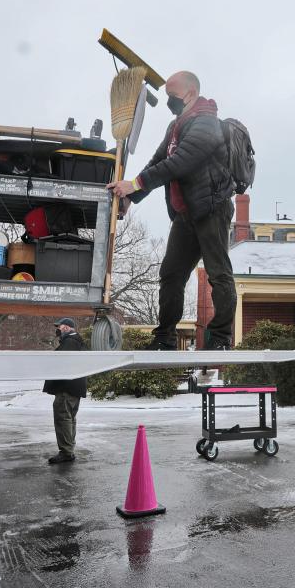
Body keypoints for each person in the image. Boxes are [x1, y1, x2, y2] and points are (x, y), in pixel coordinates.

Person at [107, 70, 236, 351]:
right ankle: (164, 337)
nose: (169, 101)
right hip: (185, 213)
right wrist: (133, 195)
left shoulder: (207, 123)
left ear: (190, 93)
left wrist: (135, 184)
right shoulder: (175, 126)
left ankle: (221, 338)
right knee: (171, 274)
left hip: (212, 208)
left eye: (171, 96)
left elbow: (179, 163)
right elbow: (157, 160)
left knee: (218, 273)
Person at [43, 317, 86, 464]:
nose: (58, 330)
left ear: (67, 328)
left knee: (63, 419)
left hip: (66, 388)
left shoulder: (69, 343)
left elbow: (60, 364)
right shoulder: (76, 342)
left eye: (59, 327)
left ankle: (66, 452)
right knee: (69, 419)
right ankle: (68, 449)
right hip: (73, 388)